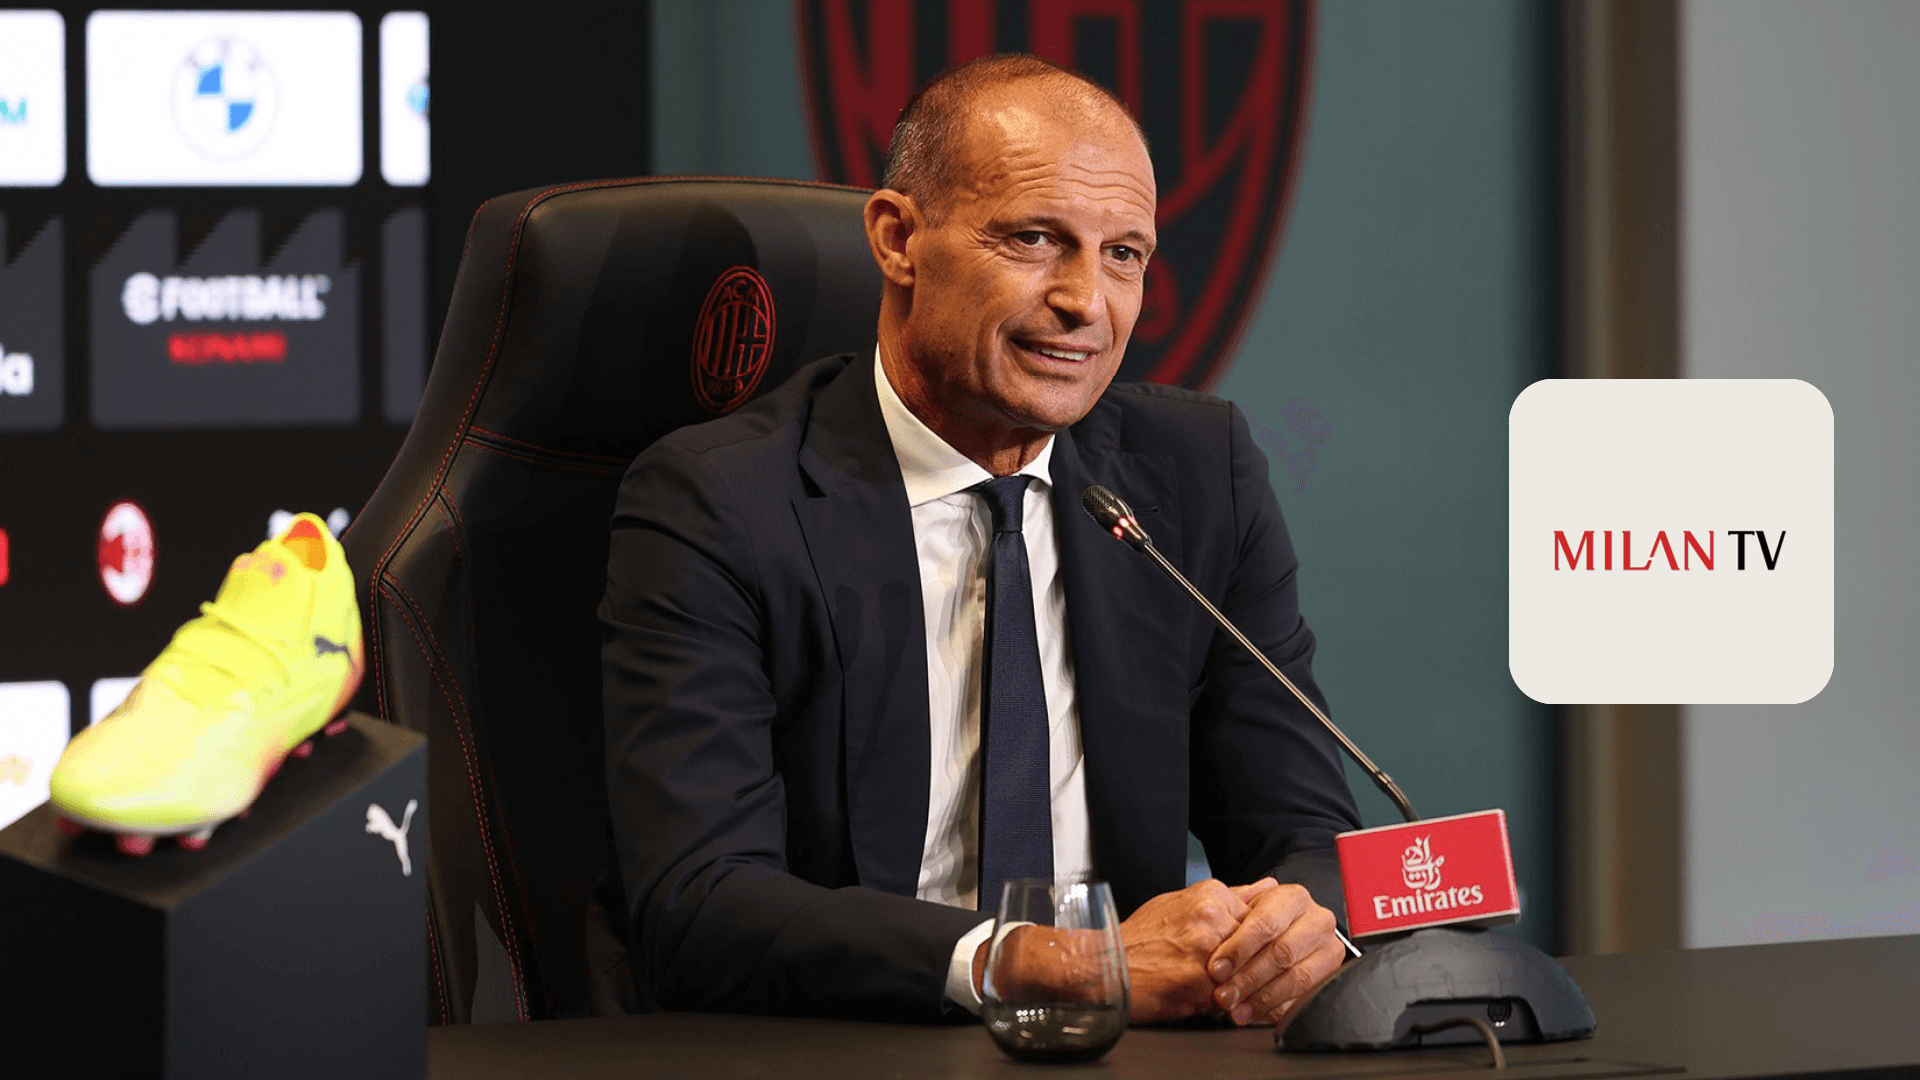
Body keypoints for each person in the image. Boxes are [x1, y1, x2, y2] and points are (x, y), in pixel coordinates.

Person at [601, 54, 1362, 1026]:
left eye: (1124, 255)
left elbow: (1305, 836)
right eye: (1036, 239)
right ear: (898, 240)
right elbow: (700, 904)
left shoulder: (1195, 478)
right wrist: (1060, 965)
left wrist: (1296, 929)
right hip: (851, 1048)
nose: (1087, 301)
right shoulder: (721, 503)